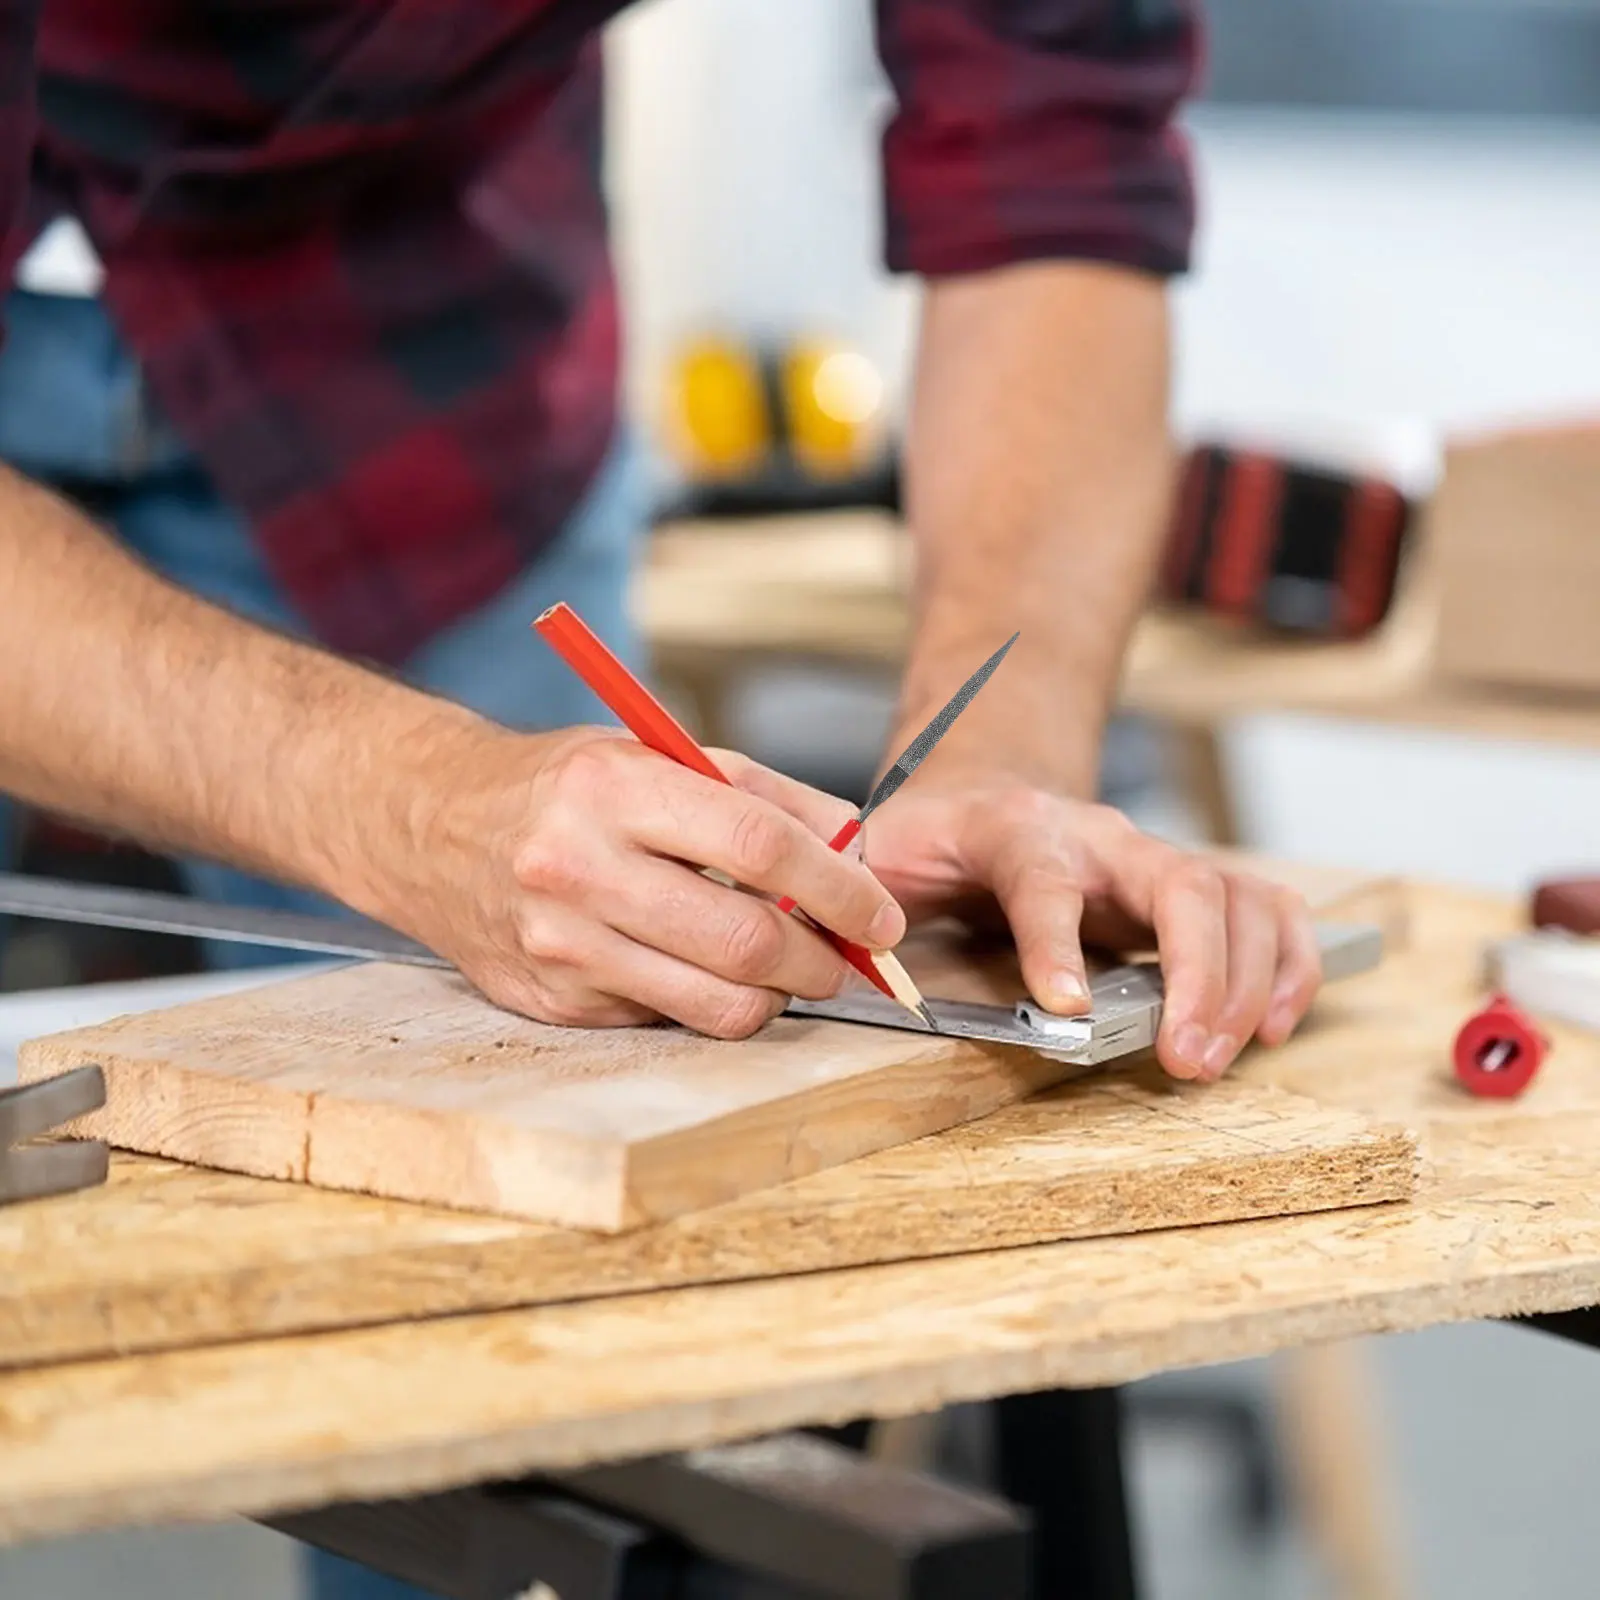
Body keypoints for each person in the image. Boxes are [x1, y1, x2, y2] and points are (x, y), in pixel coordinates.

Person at [0, 3, 1323, 1594]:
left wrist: (1000, 766)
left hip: (406, 372)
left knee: (513, 1359)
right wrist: (404, 800)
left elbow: (1059, 152)